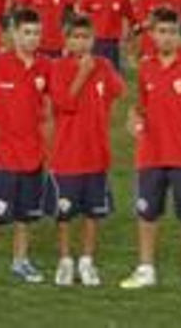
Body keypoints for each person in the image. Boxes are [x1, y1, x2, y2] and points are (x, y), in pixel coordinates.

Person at [121, 6, 181, 298]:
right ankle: (146, 268)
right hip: (150, 154)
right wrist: (133, 118)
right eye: (161, 32)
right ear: (152, 35)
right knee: (147, 214)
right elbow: (141, 105)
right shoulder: (146, 66)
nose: (167, 37)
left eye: (173, 32)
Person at [0, 7, 50, 286]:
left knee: (25, 216)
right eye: (26, 32)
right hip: (2, 153)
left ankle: (20, 261)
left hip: (33, 153)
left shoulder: (45, 66)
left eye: (36, 33)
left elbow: (53, 102)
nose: (32, 38)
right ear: (14, 34)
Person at [47, 14, 123, 287]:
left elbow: (118, 91)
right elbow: (64, 102)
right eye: (76, 37)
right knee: (65, 213)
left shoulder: (103, 64)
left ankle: (86, 261)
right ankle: (66, 260)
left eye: (86, 37)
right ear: (66, 40)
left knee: (93, 213)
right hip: (67, 154)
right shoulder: (57, 67)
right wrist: (82, 73)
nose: (82, 43)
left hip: (96, 153)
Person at [79, 0, 134, 72]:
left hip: (114, 42)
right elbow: (82, 17)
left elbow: (129, 18)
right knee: (94, 74)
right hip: (94, 41)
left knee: (113, 75)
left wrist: (124, 39)